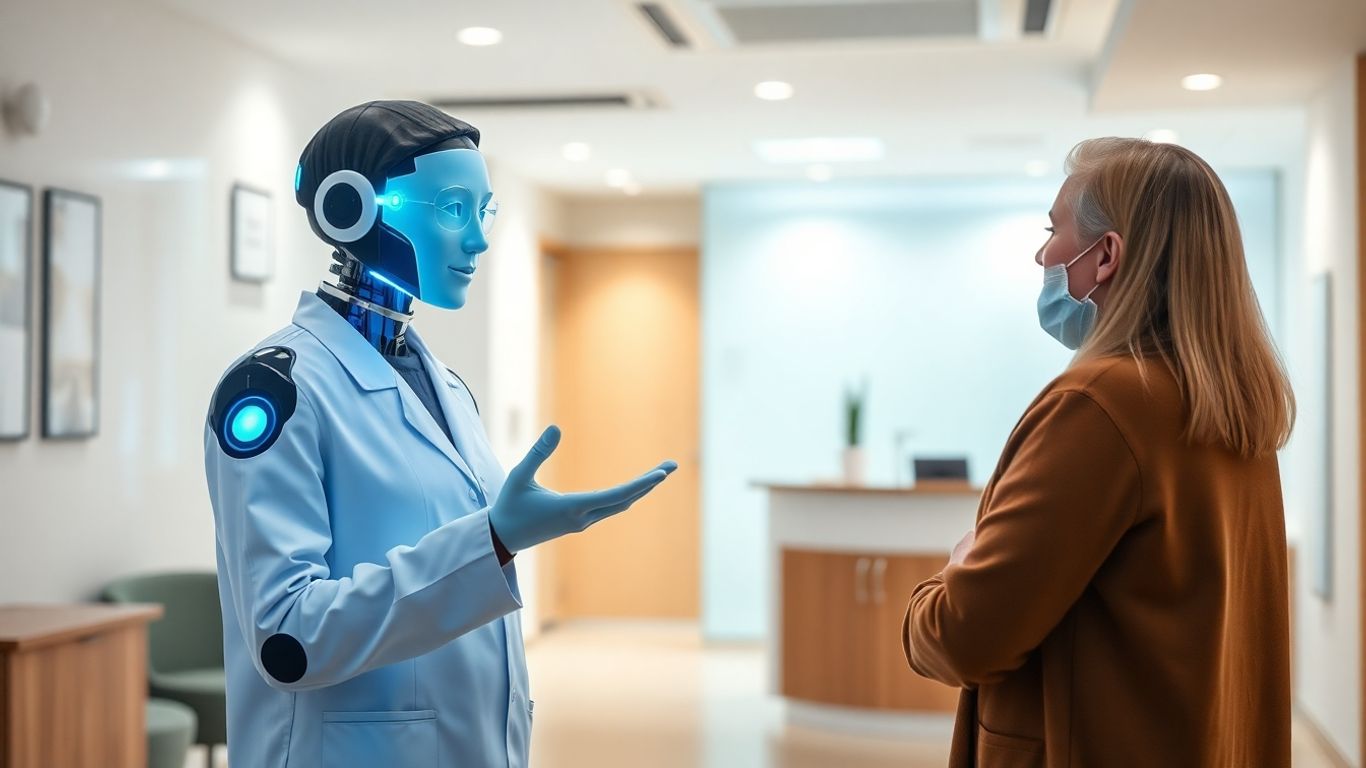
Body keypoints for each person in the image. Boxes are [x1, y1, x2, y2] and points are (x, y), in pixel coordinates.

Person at [203, 100, 676, 768]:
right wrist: (494, 540)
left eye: (483, 213)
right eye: (452, 209)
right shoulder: (274, 392)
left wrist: (497, 542)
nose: (478, 240)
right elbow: (288, 636)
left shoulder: (446, 387)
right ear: (349, 209)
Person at [903, 137, 1295, 767]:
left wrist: (948, 577)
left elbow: (965, 638)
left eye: (1053, 229)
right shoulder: (1233, 404)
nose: (1042, 253)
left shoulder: (1098, 404)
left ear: (1106, 254)